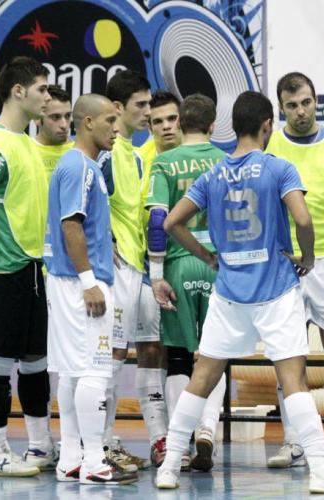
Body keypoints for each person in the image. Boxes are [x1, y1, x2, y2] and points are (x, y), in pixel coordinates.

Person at [154, 90, 324, 493]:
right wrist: (307, 256)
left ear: (234, 127)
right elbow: (303, 219)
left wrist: (208, 256)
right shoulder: (279, 168)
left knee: (201, 378)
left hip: (230, 292)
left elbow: (171, 223)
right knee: (294, 380)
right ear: (268, 125)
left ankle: (170, 468)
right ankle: (320, 469)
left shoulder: (213, 174)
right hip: (276, 290)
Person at [265, 72, 324, 465]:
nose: (300, 111)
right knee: (287, 354)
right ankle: (294, 440)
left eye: (305, 102)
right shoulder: (270, 146)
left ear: (316, 100)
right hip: (283, 263)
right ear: (281, 109)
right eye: (292, 105)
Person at [45, 93, 138, 485]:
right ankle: (95, 461)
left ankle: (70, 458)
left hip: (69, 280)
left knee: (72, 372)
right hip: (80, 282)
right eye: (110, 121)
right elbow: (71, 225)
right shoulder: (79, 167)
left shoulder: (82, 165)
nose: (116, 129)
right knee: (95, 371)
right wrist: (89, 281)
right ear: (87, 122)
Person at [0, 56, 53, 476]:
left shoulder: (26, 143)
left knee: (36, 361)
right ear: (18, 91)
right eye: (42, 89)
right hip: (0, 271)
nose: (47, 97)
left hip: (31, 269)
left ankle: (40, 447)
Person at [146, 93, 227, 471]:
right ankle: (207, 430)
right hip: (218, 266)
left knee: (178, 356)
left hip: (179, 263)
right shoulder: (226, 162)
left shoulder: (164, 162)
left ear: (180, 123)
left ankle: (178, 445)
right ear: (212, 126)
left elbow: (158, 220)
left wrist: (156, 275)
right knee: (215, 353)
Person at [100, 69, 153, 471]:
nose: (148, 111)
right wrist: (104, 238)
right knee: (108, 355)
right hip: (114, 271)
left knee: (116, 355)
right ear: (118, 108)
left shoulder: (134, 156)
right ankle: (98, 444)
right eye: (141, 104)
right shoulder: (107, 153)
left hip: (134, 266)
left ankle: (104, 439)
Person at [136, 89, 182, 467]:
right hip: (146, 270)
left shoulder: (200, 157)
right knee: (151, 351)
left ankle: (187, 436)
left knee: (186, 354)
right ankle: (159, 438)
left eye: (172, 119)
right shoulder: (138, 161)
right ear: (148, 125)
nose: (166, 127)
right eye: (157, 121)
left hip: (190, 268)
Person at [34, 84, 74, 183]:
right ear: (37, 118)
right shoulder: (25, 152)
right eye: (55, 117)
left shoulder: (81, 153)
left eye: (67, 116)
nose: (64, 125)